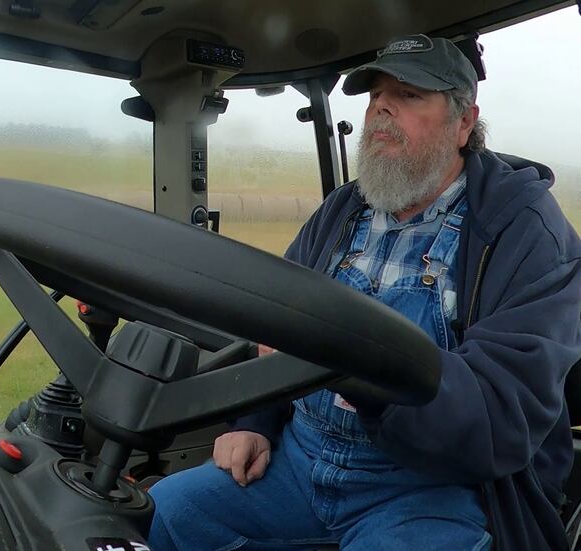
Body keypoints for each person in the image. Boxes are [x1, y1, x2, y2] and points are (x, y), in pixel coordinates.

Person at [148, 34, 581, 551]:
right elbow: (271, 324)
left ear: (464, 122)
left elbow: (500, 415)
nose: (381, 109)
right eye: (376, 94)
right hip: (300, 462)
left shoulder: (522, 231)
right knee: (170, 512)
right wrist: (256, 421)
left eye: (410, 95)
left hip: (427, 489)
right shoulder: (341, 211)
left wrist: (364, 371)